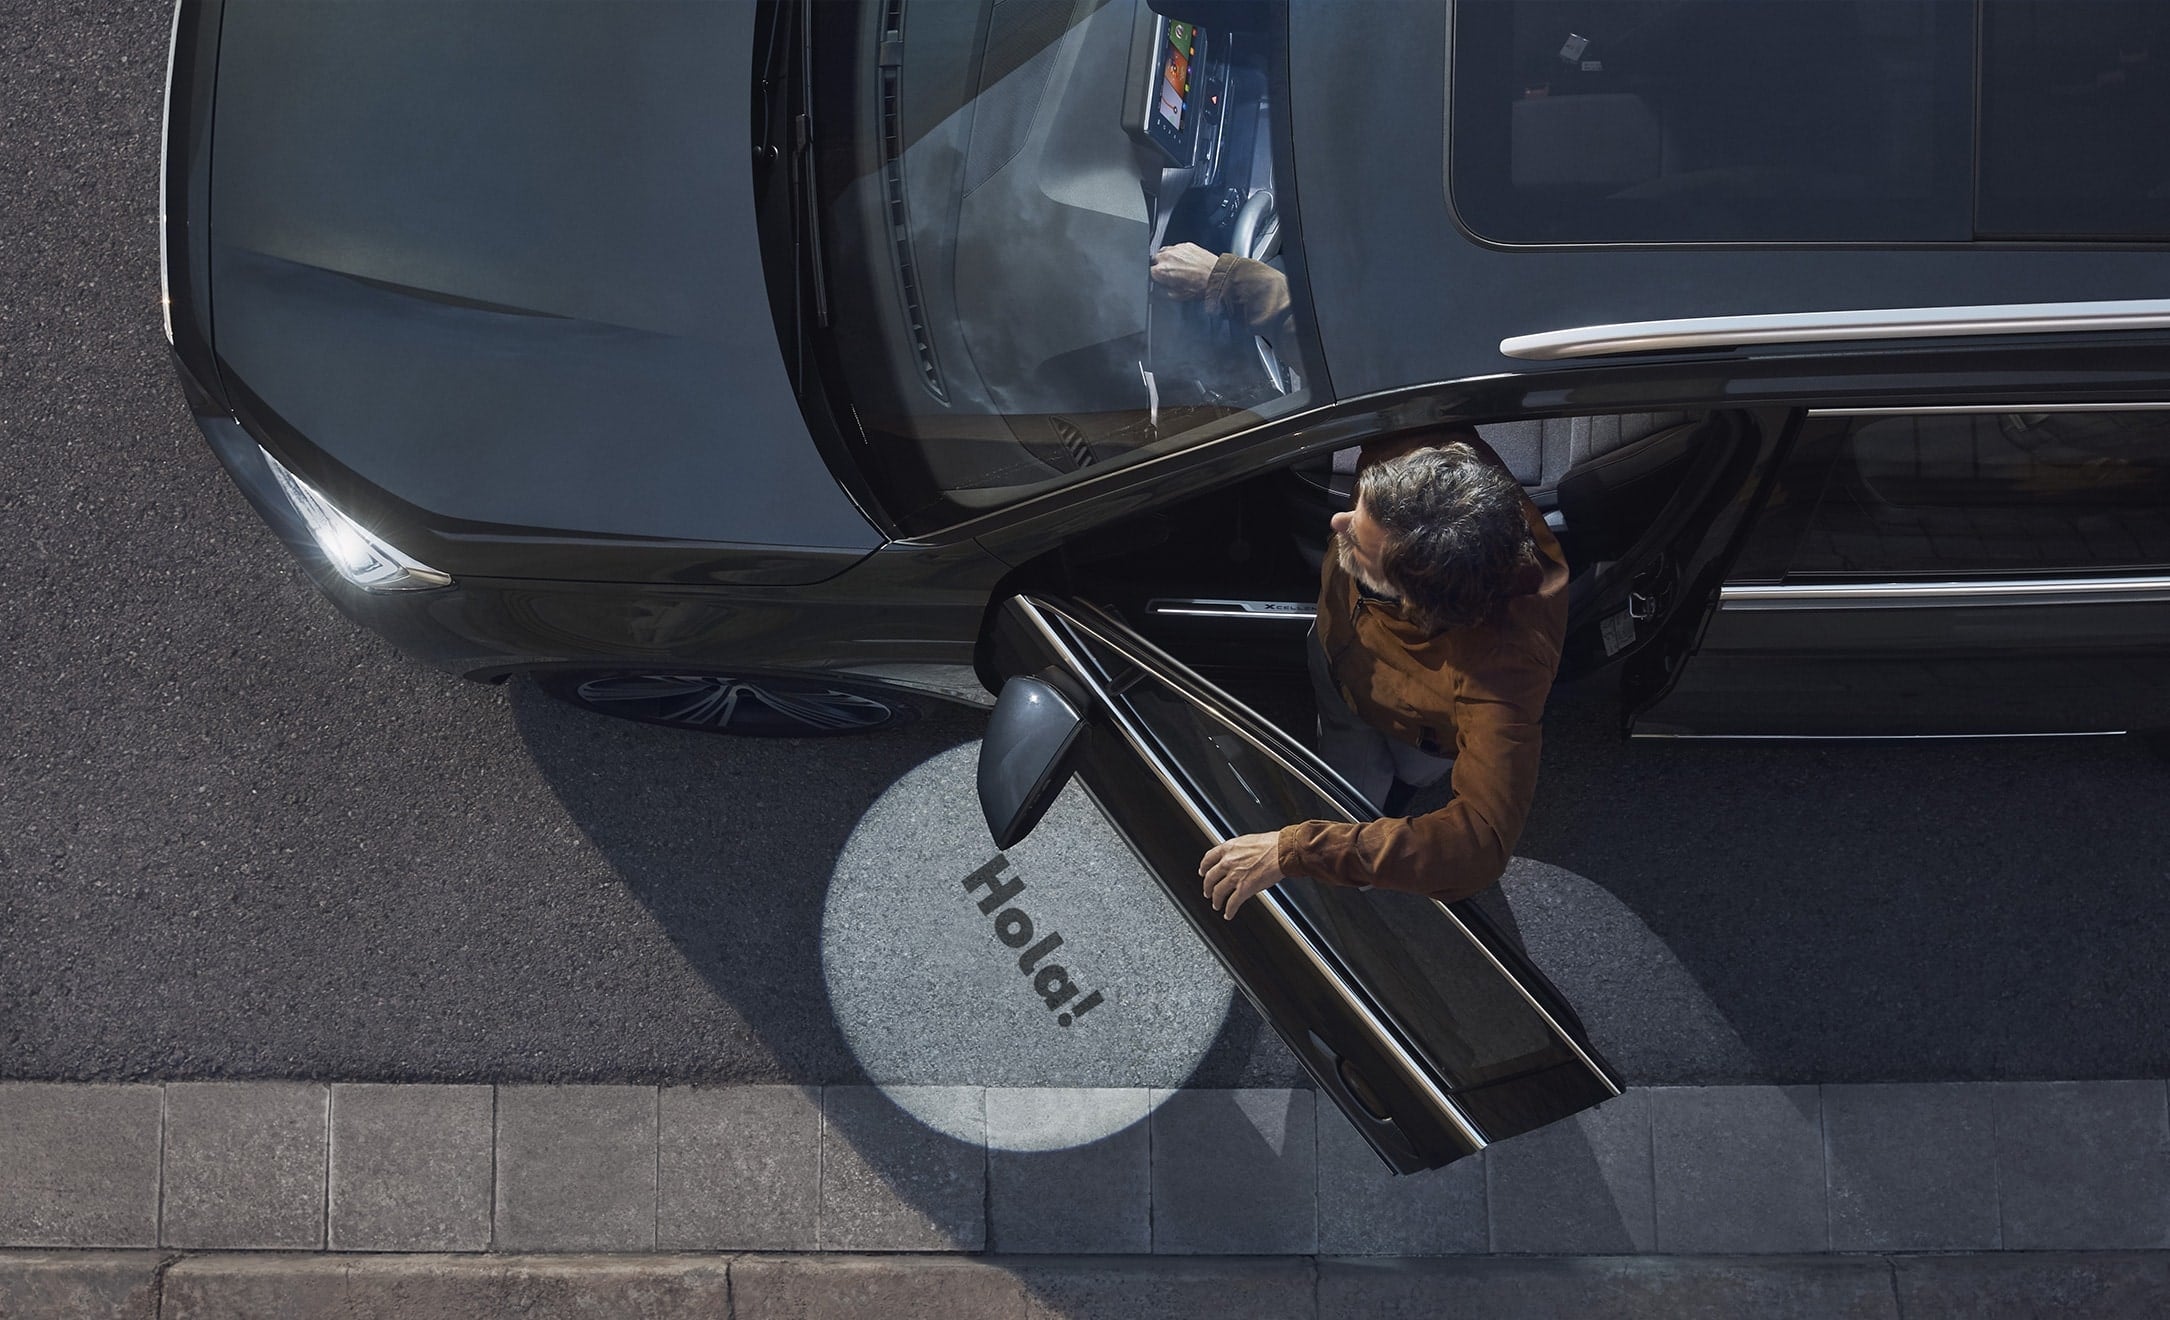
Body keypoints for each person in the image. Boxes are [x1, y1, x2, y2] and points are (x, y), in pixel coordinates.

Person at [1195, 431, 1569, 918]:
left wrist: (1297, 851)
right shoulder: (1414, 451)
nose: (1337, 521)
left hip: (1417, 732)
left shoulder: (1503, 669)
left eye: (1356, 541)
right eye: (1360, 503)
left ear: (1412, 596)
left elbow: (1478, 848)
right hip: (1338, 659)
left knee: (1375, 786)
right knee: (1348, 746)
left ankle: (1357, 868)